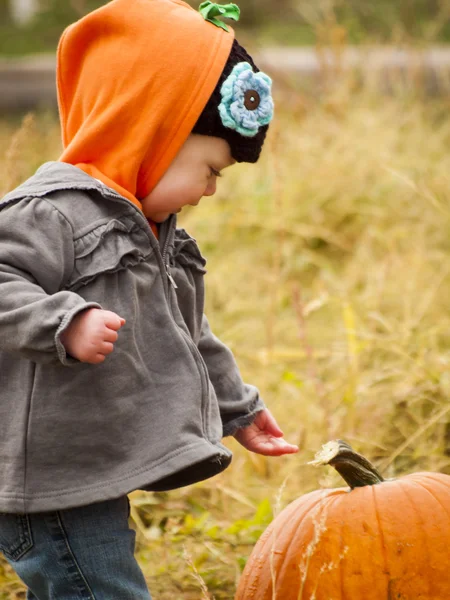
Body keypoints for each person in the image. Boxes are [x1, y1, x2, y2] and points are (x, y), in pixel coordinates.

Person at [0, 0, 298, 597]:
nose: (211, 190)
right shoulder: (51, 213)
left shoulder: (155, 228)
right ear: (150, 130)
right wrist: (65, 319)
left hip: (91, 465)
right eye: (210, 169)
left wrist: (238, 407)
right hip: (50, 475)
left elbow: (190, 332)